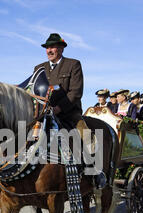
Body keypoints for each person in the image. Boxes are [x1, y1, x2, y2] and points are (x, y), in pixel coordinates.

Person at [34, 33, 106, 188]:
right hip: (43, 114)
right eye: (47, 48)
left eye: (52, 47)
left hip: (68, 112)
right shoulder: (39, 68)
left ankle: (94, 171)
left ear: (61, 48)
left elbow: (75, 92)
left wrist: (58, 109)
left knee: (86, 136)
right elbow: (32, 90)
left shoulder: (73, 64)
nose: (49, 50)